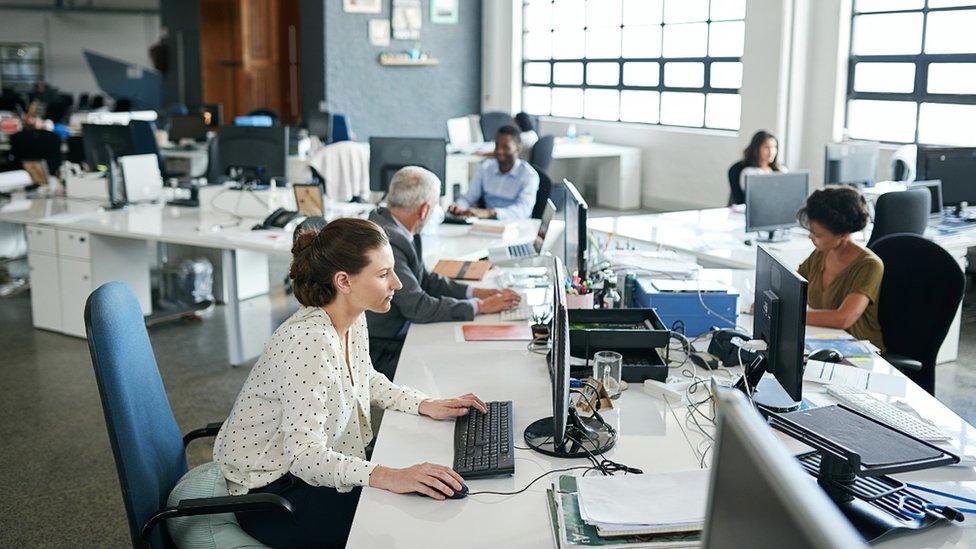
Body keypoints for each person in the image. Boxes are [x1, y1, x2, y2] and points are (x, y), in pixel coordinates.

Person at [214, 218, 488, 548]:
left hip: (306, 472)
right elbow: (304, 457)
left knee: (420, 503)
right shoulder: (309, 343)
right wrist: (388, 475)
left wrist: (423, 403)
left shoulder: (352, 318)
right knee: (404, 524)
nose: (398, 283)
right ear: (344, 281)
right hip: (273, 492)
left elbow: (363, 377)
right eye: (383, 273)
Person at [367, 166, 522, 378]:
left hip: (401, 330)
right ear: (423, 210)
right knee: (458, 364)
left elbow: (427, 280)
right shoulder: (388, 240)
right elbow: (418, 307)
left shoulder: (399, 227)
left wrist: (475, 293)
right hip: (383, 347)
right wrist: (481, 307)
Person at [796, 186, 885, 351]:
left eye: (818, 235)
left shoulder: (870, 265)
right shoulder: (821, 252)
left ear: (843, 234)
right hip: (824, 341)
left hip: (857, 351)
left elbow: (843, 318)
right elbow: (792, 283)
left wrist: (790, 315)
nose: (810, 237)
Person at [448, 125, 540, 220]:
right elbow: (468, 198)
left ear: (518, 148)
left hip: (516, 226)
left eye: (506, 147)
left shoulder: (529, 175)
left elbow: (523, 211)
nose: (499, 151)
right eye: (497, 146)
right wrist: (459, 206)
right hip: (488, 225)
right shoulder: (486, 168)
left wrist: (491, 213)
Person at [729, 130, 788, 205]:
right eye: (767, 147)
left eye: (774, 147)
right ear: (757, 149)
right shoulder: (749, 172)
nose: (771, 152)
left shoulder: (782, 170)